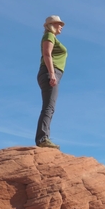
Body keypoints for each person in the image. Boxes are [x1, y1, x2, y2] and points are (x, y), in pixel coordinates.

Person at [35, 15, 67, 149]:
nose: (61, 27)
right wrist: (52, 74)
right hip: (50, 72)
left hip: (51, 72)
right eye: (59, 24)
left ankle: (43, 137)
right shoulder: (49, 36)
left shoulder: (51, 37)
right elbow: (47, 54)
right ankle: (42, 139)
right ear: (52, 25)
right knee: (49, 107)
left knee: (49, 107)